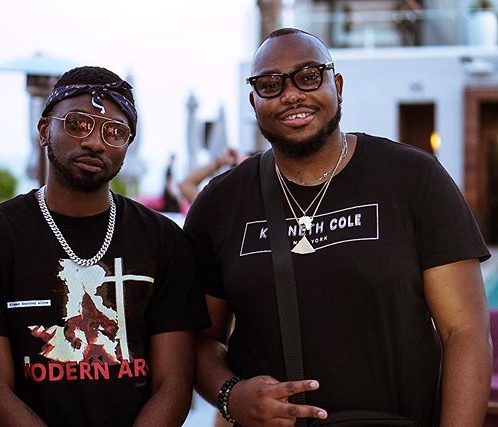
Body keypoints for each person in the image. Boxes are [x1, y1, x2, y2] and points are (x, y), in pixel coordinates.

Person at [184, 28, 492, 426]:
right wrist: (232, 395)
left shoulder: (414, 179)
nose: (291, 94)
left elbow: (464, 333)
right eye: (270, 84)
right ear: (253, 100)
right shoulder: (219, 203)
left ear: (337, 85)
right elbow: (199, 339)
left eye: (309, 76)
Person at [0, 66, 209, 427]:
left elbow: (173, 386)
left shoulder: (163, 240)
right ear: (45, 129)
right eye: (78, 123)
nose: (95, 141)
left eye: (115, 132)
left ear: (127, 148)